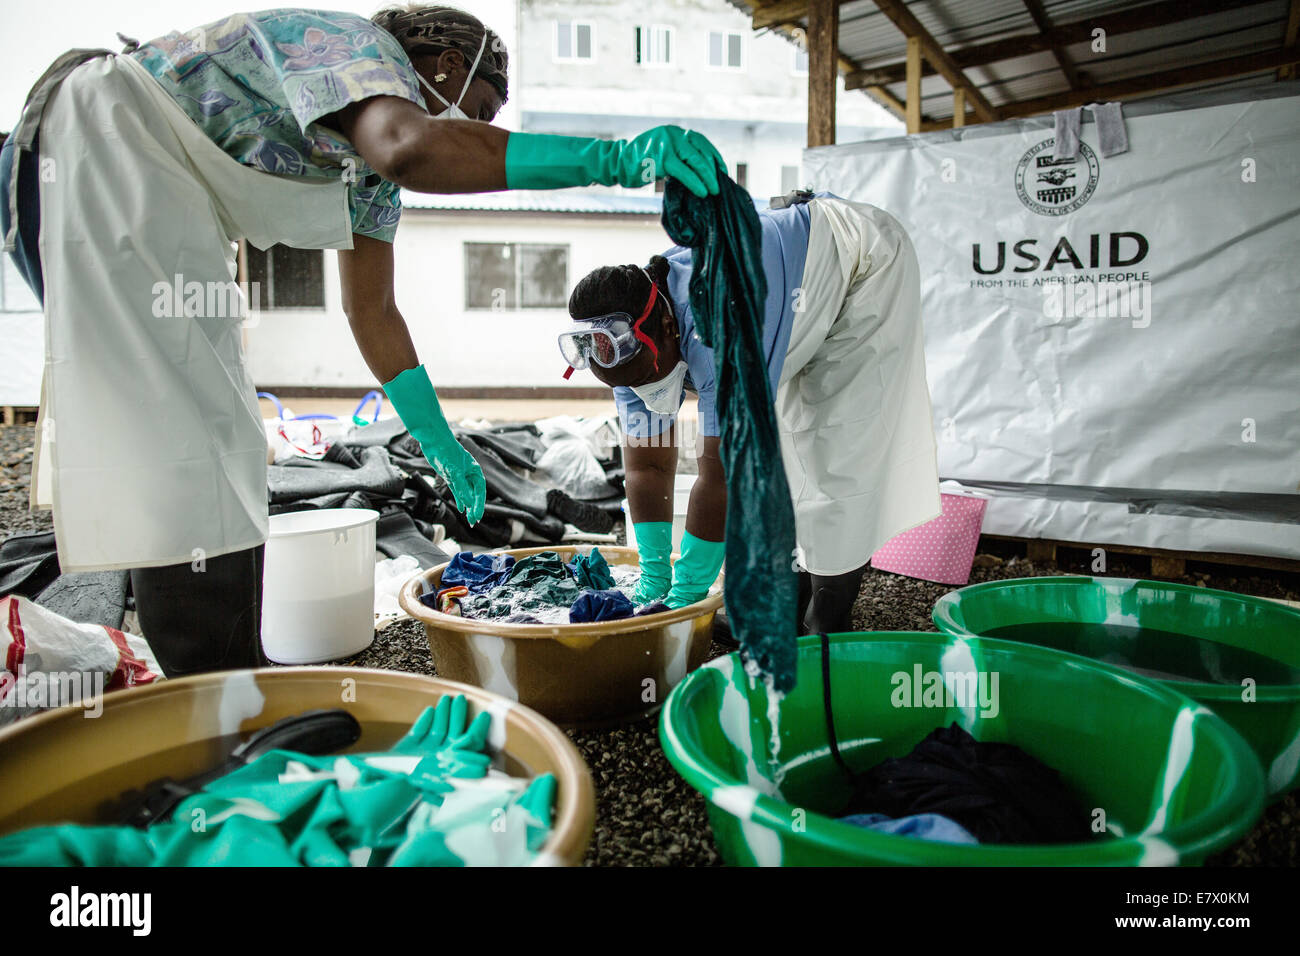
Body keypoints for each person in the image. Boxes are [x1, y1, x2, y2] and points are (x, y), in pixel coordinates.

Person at [0, 4, 725, 676]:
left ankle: (228, 679)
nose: (471, 132)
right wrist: (612, 160)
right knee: (185, 443)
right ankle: (215, 700)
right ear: (441, 61)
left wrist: (439, 439)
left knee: (223, 442)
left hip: (158, 186)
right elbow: (411, 146)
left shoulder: (368, 178)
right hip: (108, 140)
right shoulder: (361, 53)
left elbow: (371, 312)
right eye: (477, 113)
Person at [558, 191, 942, 634]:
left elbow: (722, 475)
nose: (640, 392)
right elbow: (646, 466)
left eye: (647, 376)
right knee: (779, 444)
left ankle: (829, 617)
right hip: (778, 294)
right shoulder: (628, 354)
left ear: (668, 327)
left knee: (836, 445)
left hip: (859, 263)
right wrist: (653, 579)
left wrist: (687, 596)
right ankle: (788, 602)